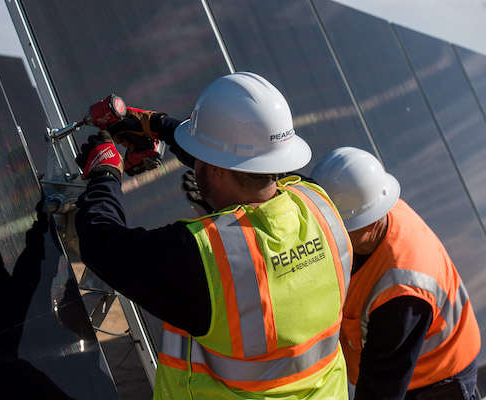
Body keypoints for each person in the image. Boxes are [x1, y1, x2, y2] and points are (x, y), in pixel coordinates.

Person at [75, 72, 353, 399]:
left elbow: (101, 243)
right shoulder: (319, 203)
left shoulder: (202, 256)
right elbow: (251, 161)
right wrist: (157, 124)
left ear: (216, 169)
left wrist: (105, 173)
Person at [310, 146, 481, 400]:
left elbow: (382, 391)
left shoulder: (402, 291)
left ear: (367, 225)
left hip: (435, 385)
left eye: (336, 227)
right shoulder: (373, 204)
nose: (327, 235)